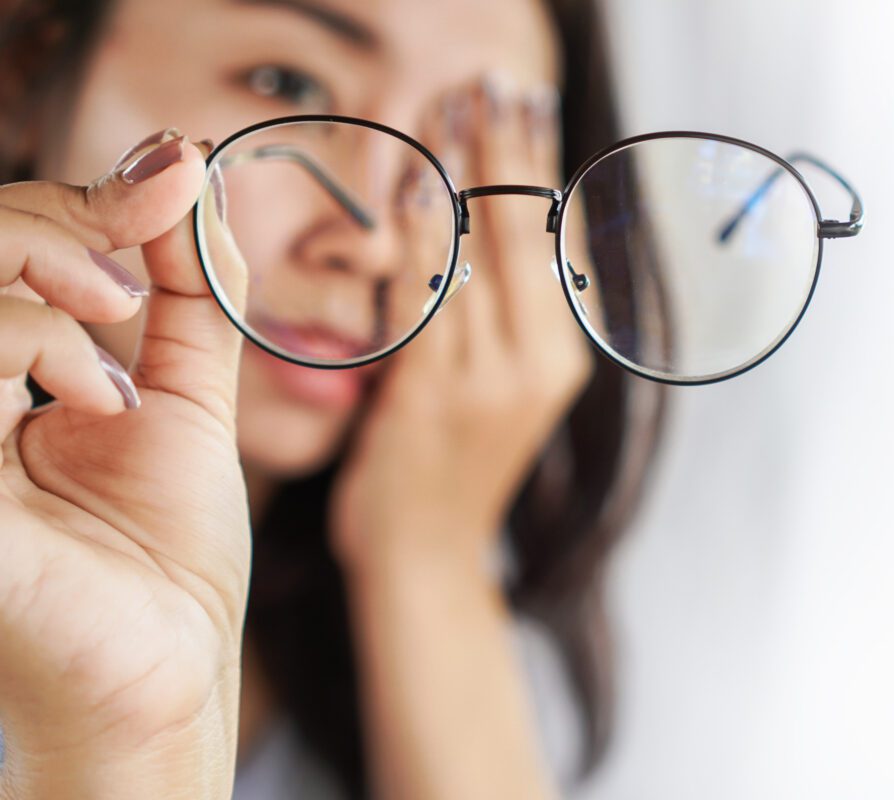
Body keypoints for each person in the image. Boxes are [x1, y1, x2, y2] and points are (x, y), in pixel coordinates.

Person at [0, 0, 667, 797]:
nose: (375, 241)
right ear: (25, 80)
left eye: (466, 150)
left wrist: (427, 554)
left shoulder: (440, 676)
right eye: (288, 85)